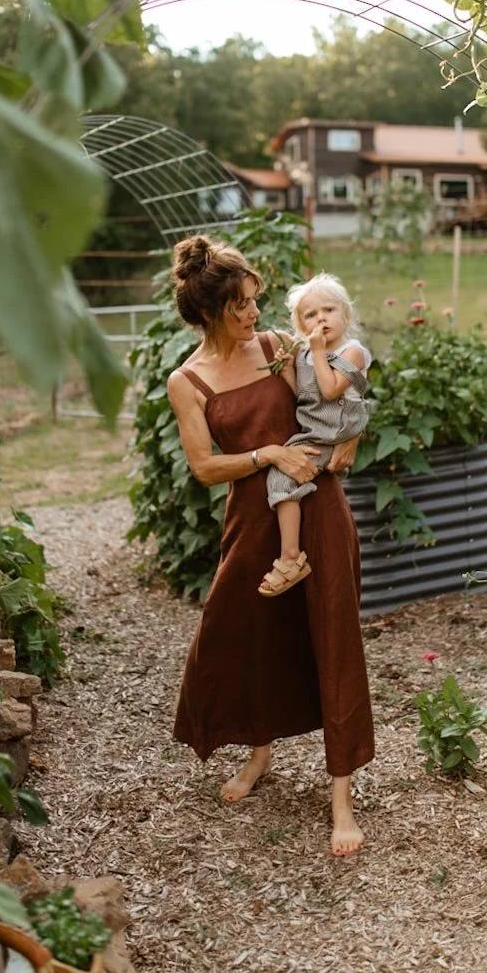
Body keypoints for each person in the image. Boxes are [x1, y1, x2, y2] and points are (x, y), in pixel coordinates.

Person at [166, 235, 374, 857]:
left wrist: (351, 441)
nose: (255, 315)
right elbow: (204, 467)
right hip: (254, 521)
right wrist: (267, 454)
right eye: (240, 307)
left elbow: (335, 394)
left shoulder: (277, 348)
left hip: (321, 510)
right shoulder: (189, 381)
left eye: (255, 301)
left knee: (332, 639)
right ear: (208, 312)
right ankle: (260, 752)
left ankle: (341, 797)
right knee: (251, 635)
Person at [258, 273, 370, 598]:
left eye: (329, 310)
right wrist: (290, 369)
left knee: (281, 477)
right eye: (310, 314)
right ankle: (291, 548)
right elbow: (304, 397)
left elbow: (331, 390)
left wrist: (318, 352)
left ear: (345, 315)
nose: (321, 318)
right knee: (282, 475)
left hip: (333, 431)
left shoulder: (353, 352)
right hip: (315, 430)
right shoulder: (307, 354)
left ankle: (291, 558)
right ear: (300, 324)